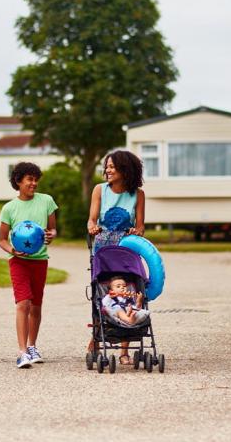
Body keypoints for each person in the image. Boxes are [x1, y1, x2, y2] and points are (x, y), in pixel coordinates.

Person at [86, 150, 145, 364]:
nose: (108, 170)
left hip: (127, 251)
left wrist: (136, 231)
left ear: (125, 169)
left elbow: (140, 226)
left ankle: (124, 351)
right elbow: (91, 220)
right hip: (103, 251)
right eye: (107, 166)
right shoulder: (99, 190)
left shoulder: (137, 194)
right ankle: (96, 336)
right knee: (101, 294)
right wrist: (92, 227)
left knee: (128, 293)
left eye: (112, 167)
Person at [0, 162, 58, 369]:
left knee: (36, 306)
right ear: (18, 181)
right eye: (29, 179)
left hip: (40, 260)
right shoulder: (9, 208)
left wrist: (52, 235)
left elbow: (53, 230)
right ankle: (22, 352)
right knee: (23, 303)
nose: (34, 183)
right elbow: (2, 240)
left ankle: (33, 346)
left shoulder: (47, 201)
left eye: (35, 179)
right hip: (19, 261)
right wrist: (13, 250)